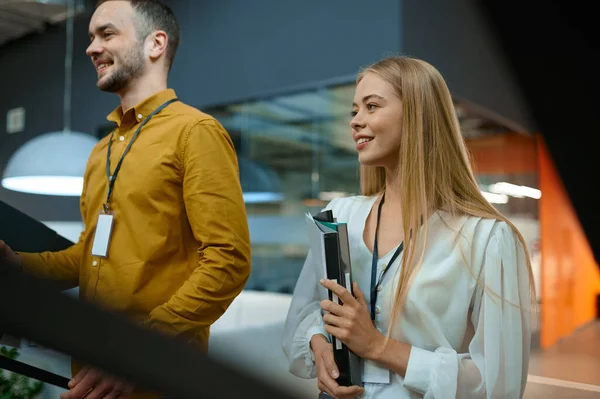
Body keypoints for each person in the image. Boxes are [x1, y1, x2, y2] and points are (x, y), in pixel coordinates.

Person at [0, 0, 251, 398]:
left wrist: (137, 352)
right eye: (90, 37)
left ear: (155, 44)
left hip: (158, 378)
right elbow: (90, 254)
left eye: (107, 33)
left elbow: (228, 260)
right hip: (90, 374)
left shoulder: (195, 132)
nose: (91, 48)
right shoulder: (101, 151)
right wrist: (20, 267)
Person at [282, 55, 535, 399]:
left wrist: (378, 346)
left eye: (371, 106)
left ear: (418, 114)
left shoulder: (486, 238)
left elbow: (497, 384)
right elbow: (307, 311)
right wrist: (318, 343)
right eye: (354, 111)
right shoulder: (339, 215)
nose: (356, 121)